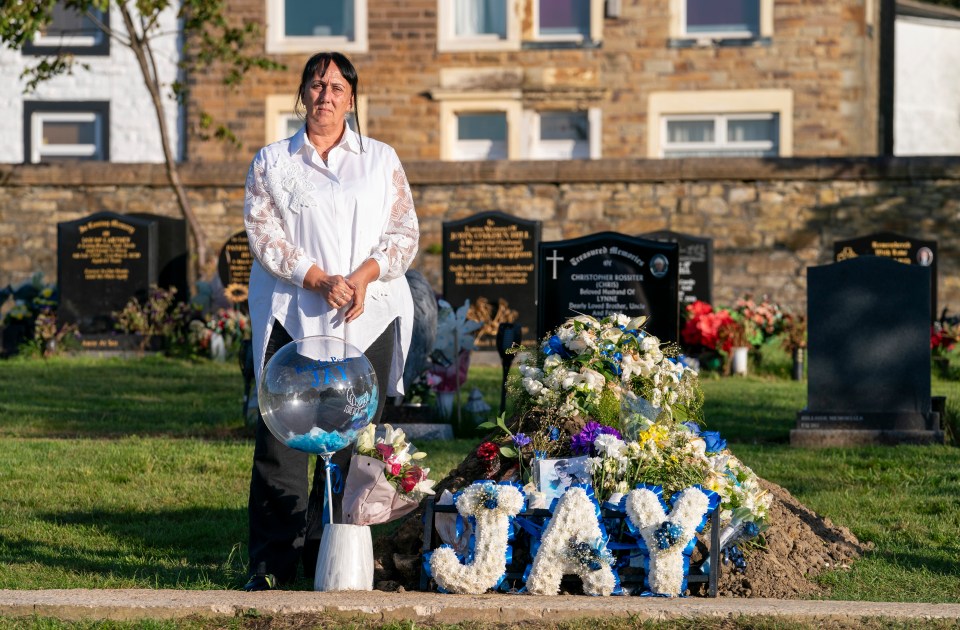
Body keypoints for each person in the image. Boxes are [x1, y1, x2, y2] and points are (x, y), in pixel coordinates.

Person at [242, 51, 420, 591]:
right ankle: (272, 568)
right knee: (284, 441)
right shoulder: (272, 162)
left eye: (338, 87)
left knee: (352, 441)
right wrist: (317, 278)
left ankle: (334, 568)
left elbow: (403, 233)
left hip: (367, 320)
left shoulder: (381, 158)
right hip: (294, 315)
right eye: (317, 85)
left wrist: (364, 276)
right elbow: (264, 234)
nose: (326, 94)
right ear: (302, 93)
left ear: (352, 98)